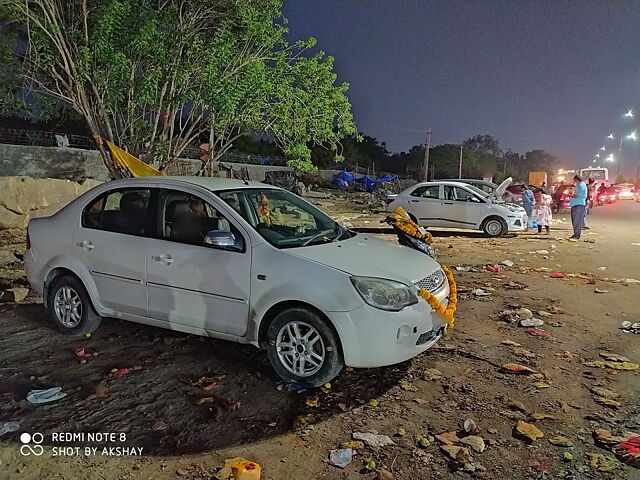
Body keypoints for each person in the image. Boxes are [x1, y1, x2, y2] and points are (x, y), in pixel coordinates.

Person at [569, 174, 587, 239]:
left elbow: (577, 195)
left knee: (576, 220)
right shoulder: (581, 185)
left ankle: (577, 235)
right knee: (575, 220)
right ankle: (576, 234)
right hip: (577, 204)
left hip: (578, 205)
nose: (573, 181)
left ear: (576, 179)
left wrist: (568, 195)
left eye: (574, 179)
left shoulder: (580, 185)